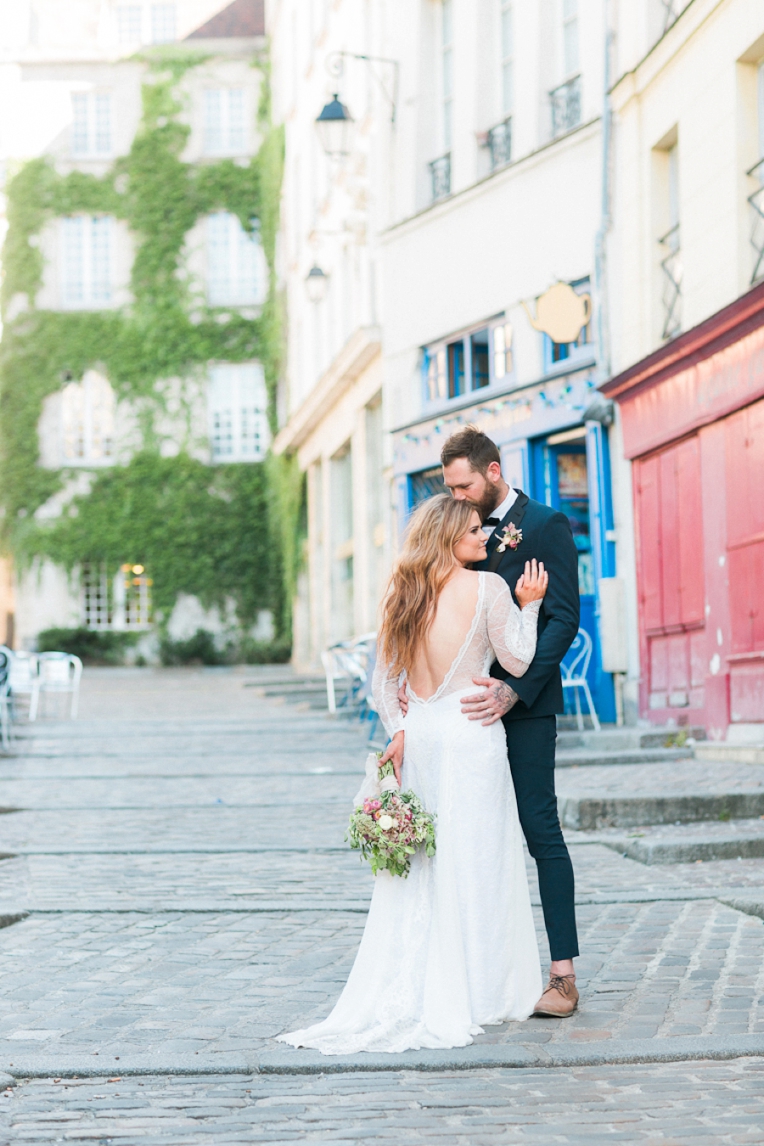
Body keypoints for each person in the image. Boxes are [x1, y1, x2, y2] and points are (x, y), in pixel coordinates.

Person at [278, 495, 548, 1053]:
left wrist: (401, 726)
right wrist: (531, 605)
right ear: (449, 535)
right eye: (474, 530)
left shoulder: (404, 595)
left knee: (427, 863)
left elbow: (383, 684)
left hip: (422, 734)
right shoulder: (489, 589)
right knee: (478, 857)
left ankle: (426, 979)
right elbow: (518, 662)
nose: (484, 537)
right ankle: (480, 989)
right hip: (471, 734)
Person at [398, 425, 581, 1018]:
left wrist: (514, 690)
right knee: (465, 835)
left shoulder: (547, 525)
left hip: (523, 706)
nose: (457, 495)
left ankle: (561, 975)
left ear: (493, 471)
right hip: (459, 714)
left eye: (464, 484)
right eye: (448, 486)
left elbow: (563, 619)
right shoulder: (458, 532)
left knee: (538, 829)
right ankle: (472, 967)